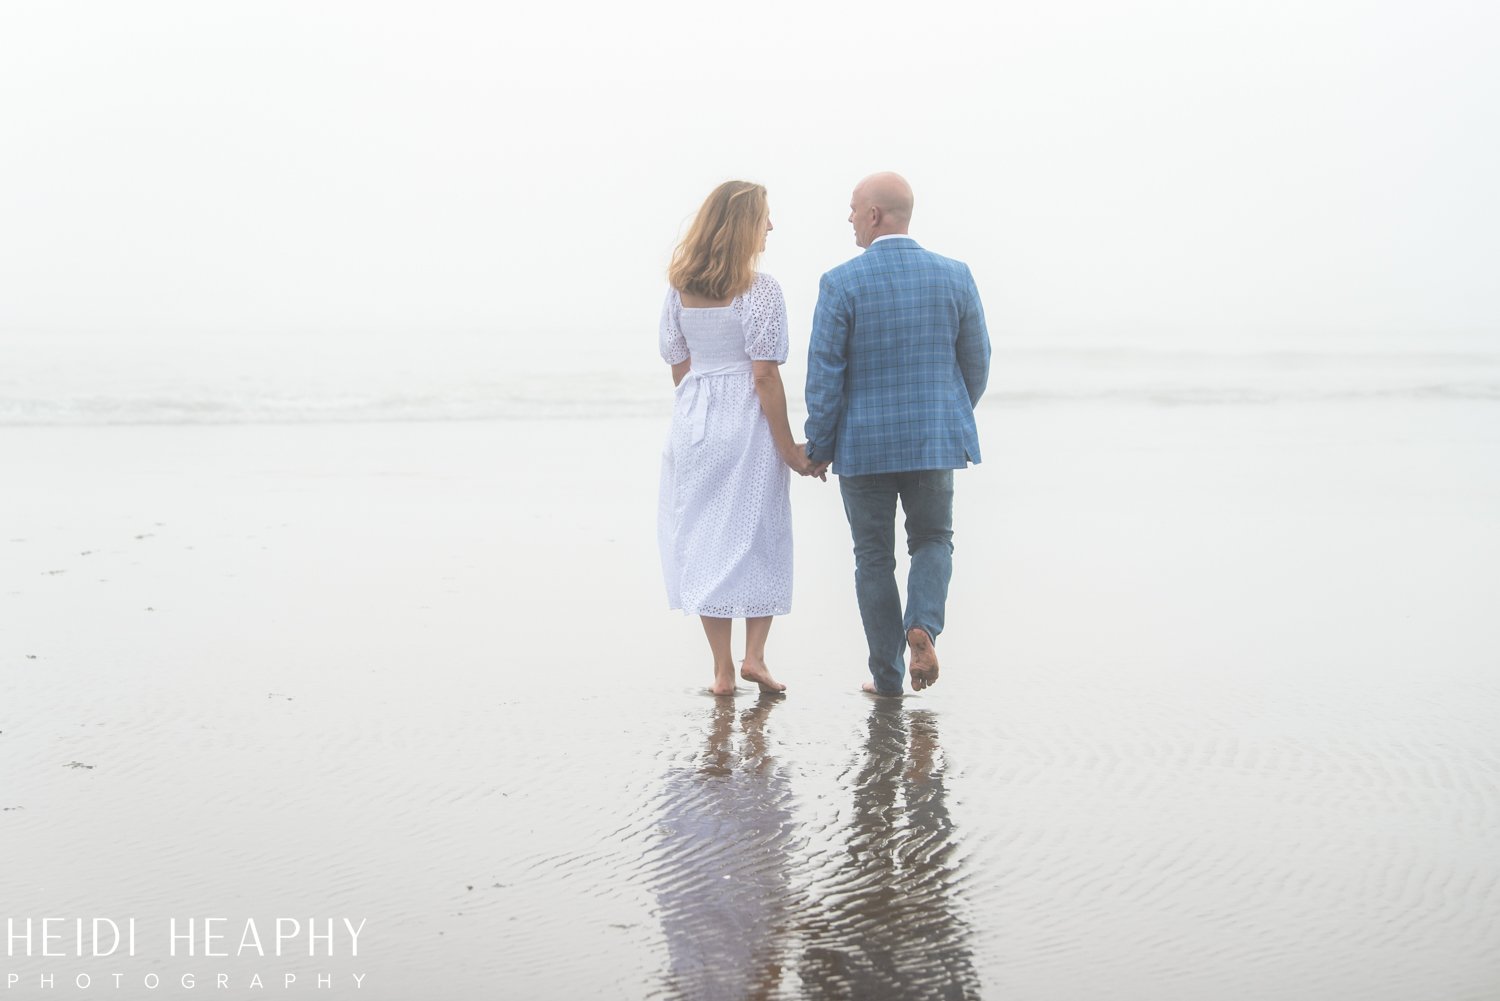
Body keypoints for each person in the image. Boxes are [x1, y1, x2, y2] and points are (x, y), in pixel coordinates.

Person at [803, 172, 991, 696]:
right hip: (933, 439)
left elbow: (825, 375)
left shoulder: (840, 282)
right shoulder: (955, 276)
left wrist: (819, 445)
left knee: (873, 558)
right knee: (933, 539)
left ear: (875, 215)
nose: (848, 218)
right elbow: (976, 362)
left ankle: (887, 678)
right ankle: (922, 628)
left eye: (852, 208)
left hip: (863, 446)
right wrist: (947, 414)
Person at [658, 180, 821, 697]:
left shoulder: (679, 287)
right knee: (760, 531)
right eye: (765, 217)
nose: (771, 227)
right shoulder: (760, 289)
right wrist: (791, 450)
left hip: (695, 420)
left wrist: (697, 411)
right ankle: (755, 657)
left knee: (703, 535)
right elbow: (764, 375)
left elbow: (678, 361)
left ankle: (722, 672)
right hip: (747, 419)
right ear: (744, 224)